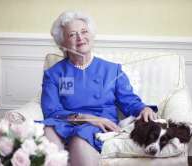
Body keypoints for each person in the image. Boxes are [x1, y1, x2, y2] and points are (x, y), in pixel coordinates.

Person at [41, 11, 158, 166]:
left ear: (91, 35)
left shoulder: (112, 70)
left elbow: (128, 101)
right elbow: (52, 111)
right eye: (72, 35)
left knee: (80, 139)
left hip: (100, 124)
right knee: (47, 130)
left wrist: (143, 109)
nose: (80, 37)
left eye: (84, 32)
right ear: (63, 44)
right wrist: (87, 118)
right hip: (67, 121)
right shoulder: (55, 73)